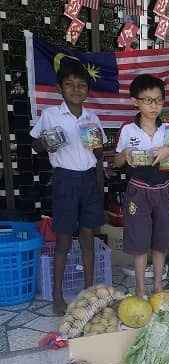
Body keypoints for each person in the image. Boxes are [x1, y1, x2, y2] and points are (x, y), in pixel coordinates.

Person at [31, 60, 106, 315]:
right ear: (59, 88)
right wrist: (45, 144)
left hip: (88, 181)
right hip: (64, 180)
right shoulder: (51, 115)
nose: (76, 89)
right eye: (69, 85)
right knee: (63, 239)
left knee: (88, 237)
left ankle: (88, 293)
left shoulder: (91, 117)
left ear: (87, 90)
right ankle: (57, 295)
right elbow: (35, 144)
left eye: (81, 85)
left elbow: (99, 153)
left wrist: (97, 147)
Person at [114, 75, 169, 298]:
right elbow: (115, 162)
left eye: (158, 100)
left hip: (163, 191)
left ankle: (157, 287)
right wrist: (125, 155)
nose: (153, 106)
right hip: (137, 191)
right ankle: (139, 291)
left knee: (162, 241)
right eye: (147, 100)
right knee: (139, 243)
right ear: (135, 102)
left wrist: (168, 151)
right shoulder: (128, 130)